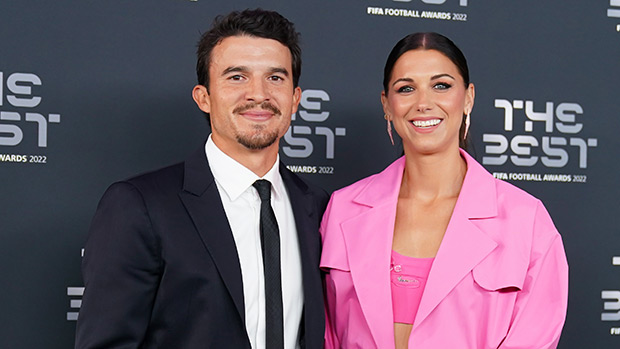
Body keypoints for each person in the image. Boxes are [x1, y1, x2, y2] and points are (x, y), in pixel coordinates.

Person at [75, 9, 328, 349]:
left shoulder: (319, 207)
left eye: (275, 78)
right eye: (237, 77)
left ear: (295, 99)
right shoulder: (140, 205)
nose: (258, 94)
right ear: (204, 97)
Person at [320, 32, 568, 348]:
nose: (423, 103)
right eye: (406, 89)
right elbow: (325, 331)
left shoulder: (527, 220)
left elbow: (535, 336)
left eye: (441, 86)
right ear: (387, 105)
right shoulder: (343, 209)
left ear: (468, 98)